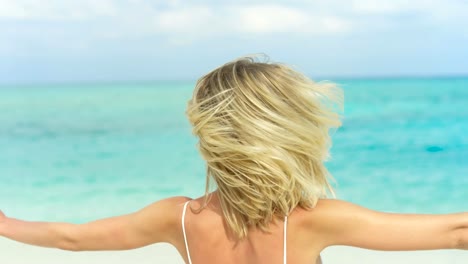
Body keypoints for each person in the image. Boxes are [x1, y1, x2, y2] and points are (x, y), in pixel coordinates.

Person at [0, 56, 467, 264]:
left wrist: (5, 224)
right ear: (288, 132)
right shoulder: (309, 222)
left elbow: (71, 239)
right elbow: (454, 232)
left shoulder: (178, 218)